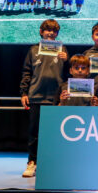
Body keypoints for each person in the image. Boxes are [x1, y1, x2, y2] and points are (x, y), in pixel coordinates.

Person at [19, 19, 68, 178]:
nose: (51, 33)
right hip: (36, 96)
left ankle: (51, 163)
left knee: (54, 134)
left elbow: (69, 74)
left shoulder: (63, 50)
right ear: (41, 32)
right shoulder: (33, 50)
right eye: (48, 30)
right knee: (34, 133)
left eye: (54, 31)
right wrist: (24, 93)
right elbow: (27, 72)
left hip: (55, 98)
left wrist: (66, 60)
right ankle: (32, 163)